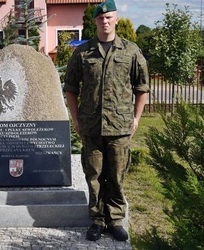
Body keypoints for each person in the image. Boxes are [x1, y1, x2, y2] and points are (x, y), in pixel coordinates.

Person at [63, 0, 150, 242]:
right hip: (91, 126)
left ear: (116, 20)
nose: (105, 21)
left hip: (120, 126)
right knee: (93, 175)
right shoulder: (83, 53)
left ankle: (115, 219)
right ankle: (97, 220)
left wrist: (136, 118)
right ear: (95, 22)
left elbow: (142, 88)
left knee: (117, 174)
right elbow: (70, 88)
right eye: (100, 18)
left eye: (109, 17)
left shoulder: (131, 52)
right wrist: (76, 120)